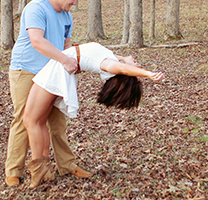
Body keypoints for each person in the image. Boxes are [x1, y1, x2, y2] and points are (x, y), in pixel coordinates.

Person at [23, 42, 164, 188]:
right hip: (60, 70)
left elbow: (122, 68)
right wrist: (126, 60)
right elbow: (121, 62)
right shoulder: (111, 59)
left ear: (126, 74)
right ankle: (44, 169)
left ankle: (38, 168)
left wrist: (148, 74)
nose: (138, 65)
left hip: (56, 72)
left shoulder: (110, 66)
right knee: (39, 122)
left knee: (30, 120)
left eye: (136, 73)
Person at [5, 0, 88, 187]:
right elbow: (37, 41)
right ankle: (14, 171)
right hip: (26, 70)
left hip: (51, 72)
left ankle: (67, 165)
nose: (74, 3)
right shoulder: (36, 8)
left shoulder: (67, 16)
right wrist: (64, 60)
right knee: (25, 119)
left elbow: (66, 45)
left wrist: (76, 61)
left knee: (57, 121)